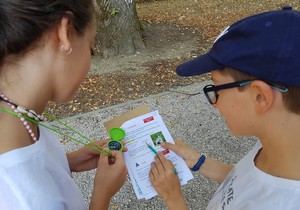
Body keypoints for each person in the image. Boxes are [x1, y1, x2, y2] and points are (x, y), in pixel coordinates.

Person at [149, 6, 300, 210]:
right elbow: (249, 183)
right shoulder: (281, 141)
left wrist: (173, 199)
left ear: (260, 96)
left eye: (217, 87)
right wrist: (200, 161)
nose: (214, 102)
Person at [0, 1, 127, 210]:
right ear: (64, 33)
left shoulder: (15, 108)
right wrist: (102, 196)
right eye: (91, 47)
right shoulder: (27, 201)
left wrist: (68, 162)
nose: (89, 62)